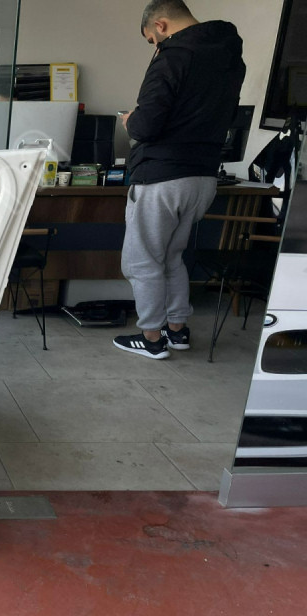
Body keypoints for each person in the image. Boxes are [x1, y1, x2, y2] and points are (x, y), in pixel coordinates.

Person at [113, 0, 246, 359]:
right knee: (172, 257)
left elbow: (146, 125)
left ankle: (152, 338)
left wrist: (130, 120)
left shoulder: (173, 57)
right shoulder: (230, 57)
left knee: (141, 261)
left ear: (160, 25)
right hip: (203, 177)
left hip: (162, 176)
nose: (154, 47)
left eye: (152, 40)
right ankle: (177, 330)